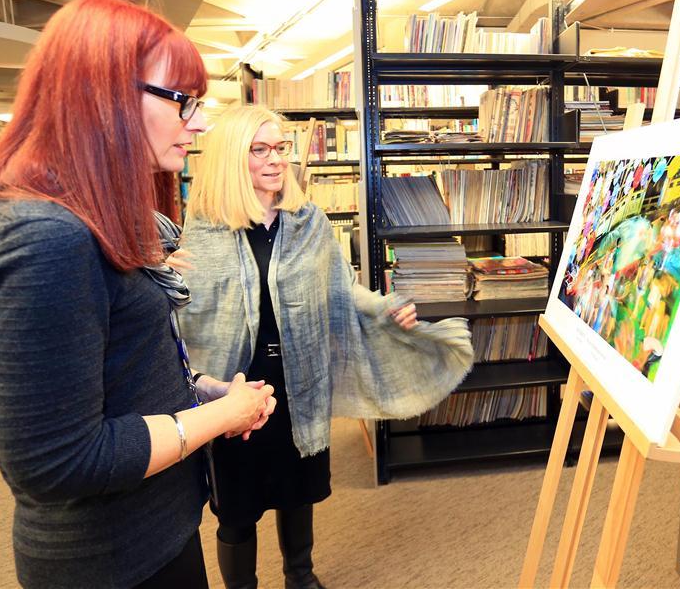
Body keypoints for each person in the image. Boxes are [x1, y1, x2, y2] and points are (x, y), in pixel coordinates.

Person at [0, 0, 276, 589]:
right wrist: (222, 414)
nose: (197, 122)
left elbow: (108, 372)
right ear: (107, 95)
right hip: (112, 560)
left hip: (149, 533)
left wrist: (196, 391)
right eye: (184, 101)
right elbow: (58, 460)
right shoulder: (44, 235)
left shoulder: (83, 215)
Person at [175, 105, 475, 589]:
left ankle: (301, 576)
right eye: (260, 150)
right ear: (233, 157)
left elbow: (338, 287)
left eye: (281, 148)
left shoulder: (307, 220)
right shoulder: (205, 229)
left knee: (298, 488)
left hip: (299, 381)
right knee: (237, 503)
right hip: (234, 386)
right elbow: (189, 312)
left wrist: (382, 308)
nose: (275, 160)